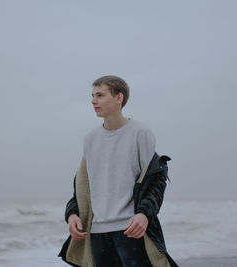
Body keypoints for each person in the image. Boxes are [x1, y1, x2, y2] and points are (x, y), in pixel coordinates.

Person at [58, 75, 178, 267]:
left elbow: (154, 181)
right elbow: (83, 184)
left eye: (100, 95)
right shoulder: (90, 139)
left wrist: (144, 214)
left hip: (131, 230)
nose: (93, 100)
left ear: (118, 98)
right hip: (97, 232)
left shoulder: (140, 132)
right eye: (92, 95)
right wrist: (72, 214)